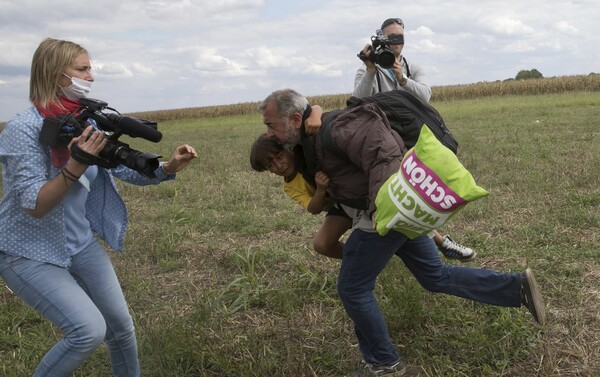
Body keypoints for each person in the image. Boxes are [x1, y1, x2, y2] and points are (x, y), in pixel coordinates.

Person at [260, 88, 545, 377]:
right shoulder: (308, 136)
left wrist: (379, 209)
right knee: (436, 276)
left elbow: (383, 151)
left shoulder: (337, 126)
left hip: (383, 214)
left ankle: (384, 362)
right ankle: (516, 287)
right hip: (392, 212)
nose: (269, 133)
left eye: (270, 125)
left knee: (352, 288)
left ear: (295, 118)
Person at [0, 38, 197, 377]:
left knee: (121, 326)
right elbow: (34, 205)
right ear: (57, 74)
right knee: (87, 331)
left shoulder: (85, 121)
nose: (91, 76)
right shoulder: (23, 129)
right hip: (27, 250)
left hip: (79, 243)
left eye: (89, 68)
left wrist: (166, 169)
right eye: (82, 69)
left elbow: (118, 166)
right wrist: (76, 164)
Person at [353, 17, 475, 262]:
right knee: (402, 192)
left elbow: (425, 96)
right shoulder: (368, 68)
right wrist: (369, 70)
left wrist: (402, 79)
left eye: (400, 38)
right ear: (381, 40)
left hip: (410, 136)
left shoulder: (412, 67)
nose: (396, 43)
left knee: (417, 190)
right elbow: (357, 101)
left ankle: (431, 242)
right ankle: (440, 242)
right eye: (390, 38)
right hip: (381, 139)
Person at [250, 133, 351, 259]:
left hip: (352, 195)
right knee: (321, 245)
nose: (279, 166)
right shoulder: (289, 186)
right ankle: (360, 257)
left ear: (288, 148)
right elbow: (313, 209)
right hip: (338, 208)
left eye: (279, 157)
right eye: (270, 165)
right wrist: (320, 191)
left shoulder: (308, 154)